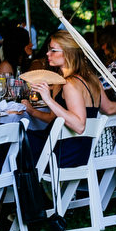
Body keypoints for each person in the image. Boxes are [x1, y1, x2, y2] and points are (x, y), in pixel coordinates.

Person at [24, 32, 101, 169]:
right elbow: (53, 118)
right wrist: (31, 110)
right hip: (80, 151)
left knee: (17, 141)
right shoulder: (90, 79)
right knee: (24, 138)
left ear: (68, 53)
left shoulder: (70, 83)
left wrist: (48, 99)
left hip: (64, 153)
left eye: (53, 50)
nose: (48, 54)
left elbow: (79, 125)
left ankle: (20, 189)